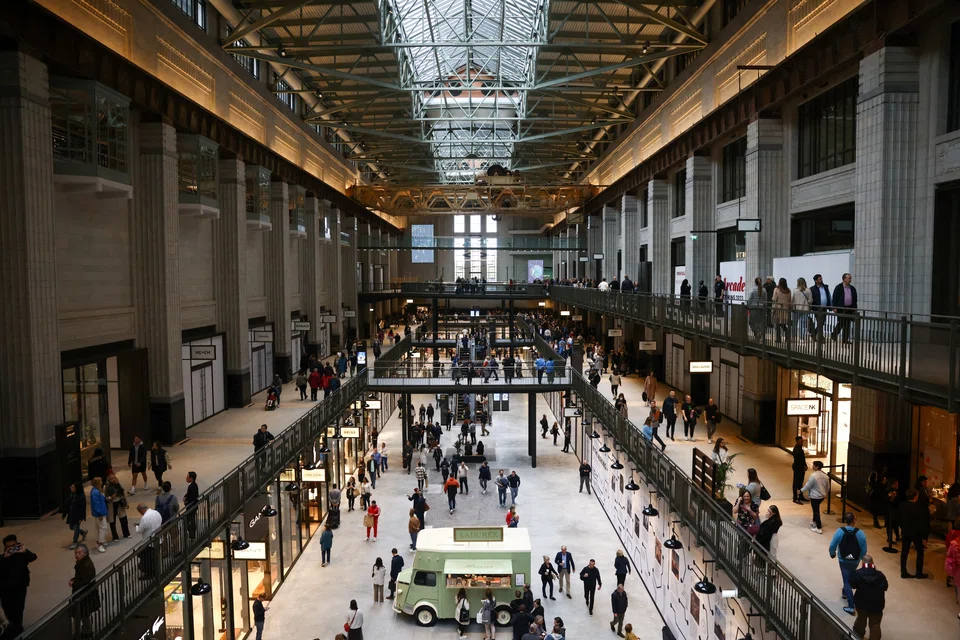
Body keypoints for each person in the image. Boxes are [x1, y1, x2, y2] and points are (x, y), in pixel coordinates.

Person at [829, 512, 868, 614]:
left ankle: (851, 605)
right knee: (848, 577)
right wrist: (859, 558)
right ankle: (845, 592)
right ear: (854, 520)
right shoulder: (860, 533)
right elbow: (864, 550)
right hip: (854, 560)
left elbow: (832, 545)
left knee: (847, 580)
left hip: (843, 560)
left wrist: (832, 554)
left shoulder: (840, 531)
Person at [0, 534, 37, 636]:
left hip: (20, 588)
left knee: (18, 610)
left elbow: (33, 557)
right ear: (5, 547)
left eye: (14, 545)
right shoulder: (3, 558)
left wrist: (24, 551)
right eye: (9, 547)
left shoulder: (22, 554)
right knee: (8, 610)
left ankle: (17, 630)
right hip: (5, 590)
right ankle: (14, 628)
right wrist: (4, 557)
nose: (12, 548)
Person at [849, 554, 887, 638]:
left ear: (863, 563)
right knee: (875, 624)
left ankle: (858, 634)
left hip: (861, 603)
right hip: (877, 604)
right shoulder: (880, 575)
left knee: (861, 619)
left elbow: (853, 585)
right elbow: (885, 587)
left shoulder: (857, 574)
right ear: (872, 563)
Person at [69, 544, 98, 639]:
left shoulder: (86, 565)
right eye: (76, 553)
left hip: (85, 595)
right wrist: (75, 579)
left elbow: (86, 580)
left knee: (82, 614)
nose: (77, 555)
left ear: (85, 553)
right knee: (83, 614)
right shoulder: (83, 563)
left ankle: (83, 632)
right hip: (84, 594)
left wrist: (74, 583)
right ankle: (84, 631)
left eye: (79, 553)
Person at [899, 488, 928, 579]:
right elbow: (922, 523)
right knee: (920, 552)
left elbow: (899, 519)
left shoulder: (902, 505)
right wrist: (924, 537)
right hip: (916, 533)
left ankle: (903, 571)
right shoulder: (919, 508)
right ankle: (919, 572)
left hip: (906, 531)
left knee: (904, 552)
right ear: (915, 497)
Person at [801, 460, 830, 534]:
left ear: (817, 467)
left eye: (814, 465)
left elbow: (808, 485)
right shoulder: (825, 476)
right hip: (822, 496)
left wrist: (801, 490)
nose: (812, 466)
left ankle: (819, 527)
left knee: (816, 511)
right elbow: (828, 487)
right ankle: (814, 522)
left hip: (815, 496)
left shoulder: (813, 476)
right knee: (815, 509)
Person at [136, 503, 162, 578]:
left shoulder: (144, 518)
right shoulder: (156, 513)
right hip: (157, 539)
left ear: (141, 510)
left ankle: (150, 573)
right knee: (154, 558)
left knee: (147, 559)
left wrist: (137, 526)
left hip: (148, 542)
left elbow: (140, 531)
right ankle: (155, 571)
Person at [831, 272, 857, 344]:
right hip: (841, 308)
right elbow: (835, 297)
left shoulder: (852, 288)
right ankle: (834, 334)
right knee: (841, 323)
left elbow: (855, 299)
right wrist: (834, 307)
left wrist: (855, 309)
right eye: (849, 278)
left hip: (849, 309)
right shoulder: (838, 287)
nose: (850, 280)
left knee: (847, 324)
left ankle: (845, 339)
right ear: (844, 279)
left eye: (850, 278)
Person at [104, 472, 131, 541]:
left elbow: (124, 494)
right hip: (111, 504)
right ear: (109, 480)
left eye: (114, 478)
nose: (113, 480)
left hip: (120, 503)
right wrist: (111, 497)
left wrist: (126, 503)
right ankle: (115, 536)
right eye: (111, 479)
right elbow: (105, 497)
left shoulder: (119, 485)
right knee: (112, 521)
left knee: (123, 519)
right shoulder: (106, 487)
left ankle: (126, 533)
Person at [62, 482, 88, 549]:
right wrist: (64, 514)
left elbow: (83, 508)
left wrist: (81, 517)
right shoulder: (72, 495)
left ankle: (75, 542)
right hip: (71, 515)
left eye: (73, 487)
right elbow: (68, 504)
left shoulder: (81, 496)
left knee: (76, 528)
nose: (71, 488)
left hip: (77, 515)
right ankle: (83, 532)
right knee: (71, 527)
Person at [809, 273, 832, 341]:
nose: (821, 280)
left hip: (824, 308)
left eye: (821, 278)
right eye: (820, 279)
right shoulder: (812, 289)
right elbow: (812, 298)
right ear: (816, 280)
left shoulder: (825, 287)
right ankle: (821, 337)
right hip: (817, 308)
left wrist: (830, 306)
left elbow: (829, 296)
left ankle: (814, 334)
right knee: (820, 322)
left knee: (822, 323)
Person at [89, 478, 108, 553]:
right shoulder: (95, 492)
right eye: (101, 481)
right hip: (99, 513)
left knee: (98, 528)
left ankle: (98, 542)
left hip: (100, 511)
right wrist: (99, 513)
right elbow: (96, 504)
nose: (102, 482)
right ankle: (100, 544)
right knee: (103, 528)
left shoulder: (96, 491)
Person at [772, 278, 792, 342]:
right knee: (783, 324)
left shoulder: (777, 290)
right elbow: (790, 300)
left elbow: (774, 299)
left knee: (777, 324)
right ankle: (787, 337)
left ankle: (778, 339)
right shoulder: (788, 290)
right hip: (786, 309)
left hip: (778, 308)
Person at [791, 436, 808, 504]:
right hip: (798, 468)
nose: (802, 442)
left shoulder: (800, 448)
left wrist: (805, 465)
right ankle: (795, 498)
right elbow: (798, 460)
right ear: (797, 441)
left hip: (801, 468)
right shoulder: (796, 449)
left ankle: (800, 495)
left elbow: (803, 459)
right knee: (796, 483)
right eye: (801, 441)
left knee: (800, 482)